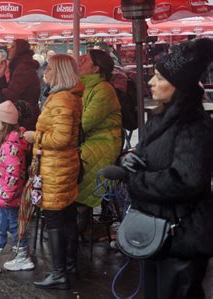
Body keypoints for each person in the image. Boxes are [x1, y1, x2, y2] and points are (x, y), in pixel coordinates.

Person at [121, 38, 213, 299]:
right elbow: (148, 155)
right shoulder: (161, 117)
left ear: (179, 86)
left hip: (181, 237)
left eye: (159, 78)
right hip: (156, 234)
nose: (151, 82)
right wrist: (128, 159)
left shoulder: (194, 124)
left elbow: (186, 180)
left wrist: (136, 181)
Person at [24, 55, 83, 289]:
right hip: (63, 164)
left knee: (55, 219)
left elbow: (60, 138)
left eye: (48, 68)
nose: (45, 72)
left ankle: (59, 273)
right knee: (67, 216)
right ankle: (68, 267)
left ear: (58, 72)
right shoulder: (70, 97)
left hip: (54, 166)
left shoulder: (61, 99)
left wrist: (34, 137)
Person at [0, 100, 33, 278]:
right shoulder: (9, 143)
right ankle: (20, 254)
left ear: (5, 122)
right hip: (4, 195)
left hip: (6, 196)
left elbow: (13, 174)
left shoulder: (10, 146)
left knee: (1, 227)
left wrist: (5, 194)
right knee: (11, 225)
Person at [75, 49, 122, 230]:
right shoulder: (83, 86)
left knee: (77, 163)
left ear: (95, 68)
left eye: (85, 60)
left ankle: (80, 215)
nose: (79, 61)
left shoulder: (104, 89)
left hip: (104, 142)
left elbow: (84, 122)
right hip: (88, 139)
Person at [0, 39, 41, 130]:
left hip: (24, 115)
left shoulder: (23, 68)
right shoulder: (20, 66)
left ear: (20, 50)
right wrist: (1, 76)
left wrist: (2, 87)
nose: (9, 49)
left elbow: (11, 94)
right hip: (24, 112)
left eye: (13, 47)